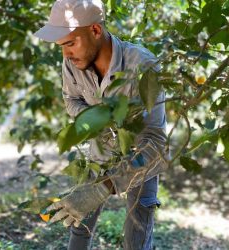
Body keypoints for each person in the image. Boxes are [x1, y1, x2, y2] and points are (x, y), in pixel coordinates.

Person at [34, 0, 168, 249]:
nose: (66, 54)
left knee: (137, 233)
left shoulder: (142, 65)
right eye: (62, 46)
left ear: (95, 30)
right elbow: (71, 99)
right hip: (99, 154)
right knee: (78, 223)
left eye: (71, 43)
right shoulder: (72, 62)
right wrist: (97, 119)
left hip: (140, 159)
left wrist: (104, 188)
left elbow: (157, 146)